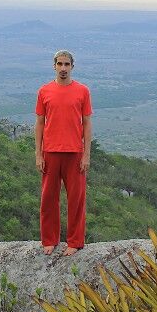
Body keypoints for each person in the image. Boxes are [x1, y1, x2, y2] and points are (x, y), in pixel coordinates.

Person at [35, 50, 93, 256]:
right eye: (59, 64)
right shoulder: (44, 91)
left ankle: (75, 241)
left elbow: (87, 123)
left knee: (76, 199)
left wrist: (86, 155)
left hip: (75, 152)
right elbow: (40, 123)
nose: (63, 68)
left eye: (67, 64)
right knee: (48, 198)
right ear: (54, 66)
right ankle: (49, 240)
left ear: (72, 67)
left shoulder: (82, 91)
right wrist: (38, 154)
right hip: (50, 151)